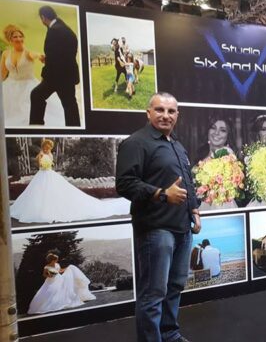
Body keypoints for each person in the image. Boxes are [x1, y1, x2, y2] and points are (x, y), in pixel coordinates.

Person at [116, 92, 201, 342]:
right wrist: (162, 194)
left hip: (181, 228)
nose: (166, 115)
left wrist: (194, 210)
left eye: (171, 111)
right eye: (160, 110)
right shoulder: (136, 143)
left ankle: (169, 334)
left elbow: (187, 181)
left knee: (174, 288)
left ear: (177, 115)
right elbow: (124, 184)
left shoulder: (176, 144)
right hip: (156, 230)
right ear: (148, 113)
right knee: (153, 294)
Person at [10, 138, 130, 223]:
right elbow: (39, 164)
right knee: (38, 193)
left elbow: (50, 162)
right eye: (47, 147)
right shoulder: (40, 154)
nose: (48, 149)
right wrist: (41, 160)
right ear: (44, 147)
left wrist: (47, 163)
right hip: (42, 174)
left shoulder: (50, 154)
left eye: (49, 147)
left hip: (49, 173)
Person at [1, 24, 63, 127]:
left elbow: (35, 54)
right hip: (10, 86)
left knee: (27, 112)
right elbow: (2, 74)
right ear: (10, 39)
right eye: (15, 36)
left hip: (28, 86)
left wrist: (40, 56)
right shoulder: (6, 54)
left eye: (21, 36)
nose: (19, 38)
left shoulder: (28, 53)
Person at [30, 5, 81, 127]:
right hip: (68, 75)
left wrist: (44, 75)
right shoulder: (66, 29)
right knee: (70, 105)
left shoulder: (54, 31)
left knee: (36, 95)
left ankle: (36, 127)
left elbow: (54, 58)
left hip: (56, 76)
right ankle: (75, 130)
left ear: (43, 17)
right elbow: (64, 54)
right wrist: (48, 59)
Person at [28, 252, 96, 315]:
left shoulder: (57, 264)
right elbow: (44, 275)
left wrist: (67, 268)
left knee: (70, 271)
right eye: (55, 260)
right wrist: (49, 275)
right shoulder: (47, 267)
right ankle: (49, 304)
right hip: (51, 280)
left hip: (59, 278)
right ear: (52, 260)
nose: (57, 261)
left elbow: (60, 271)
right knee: (50, 292)